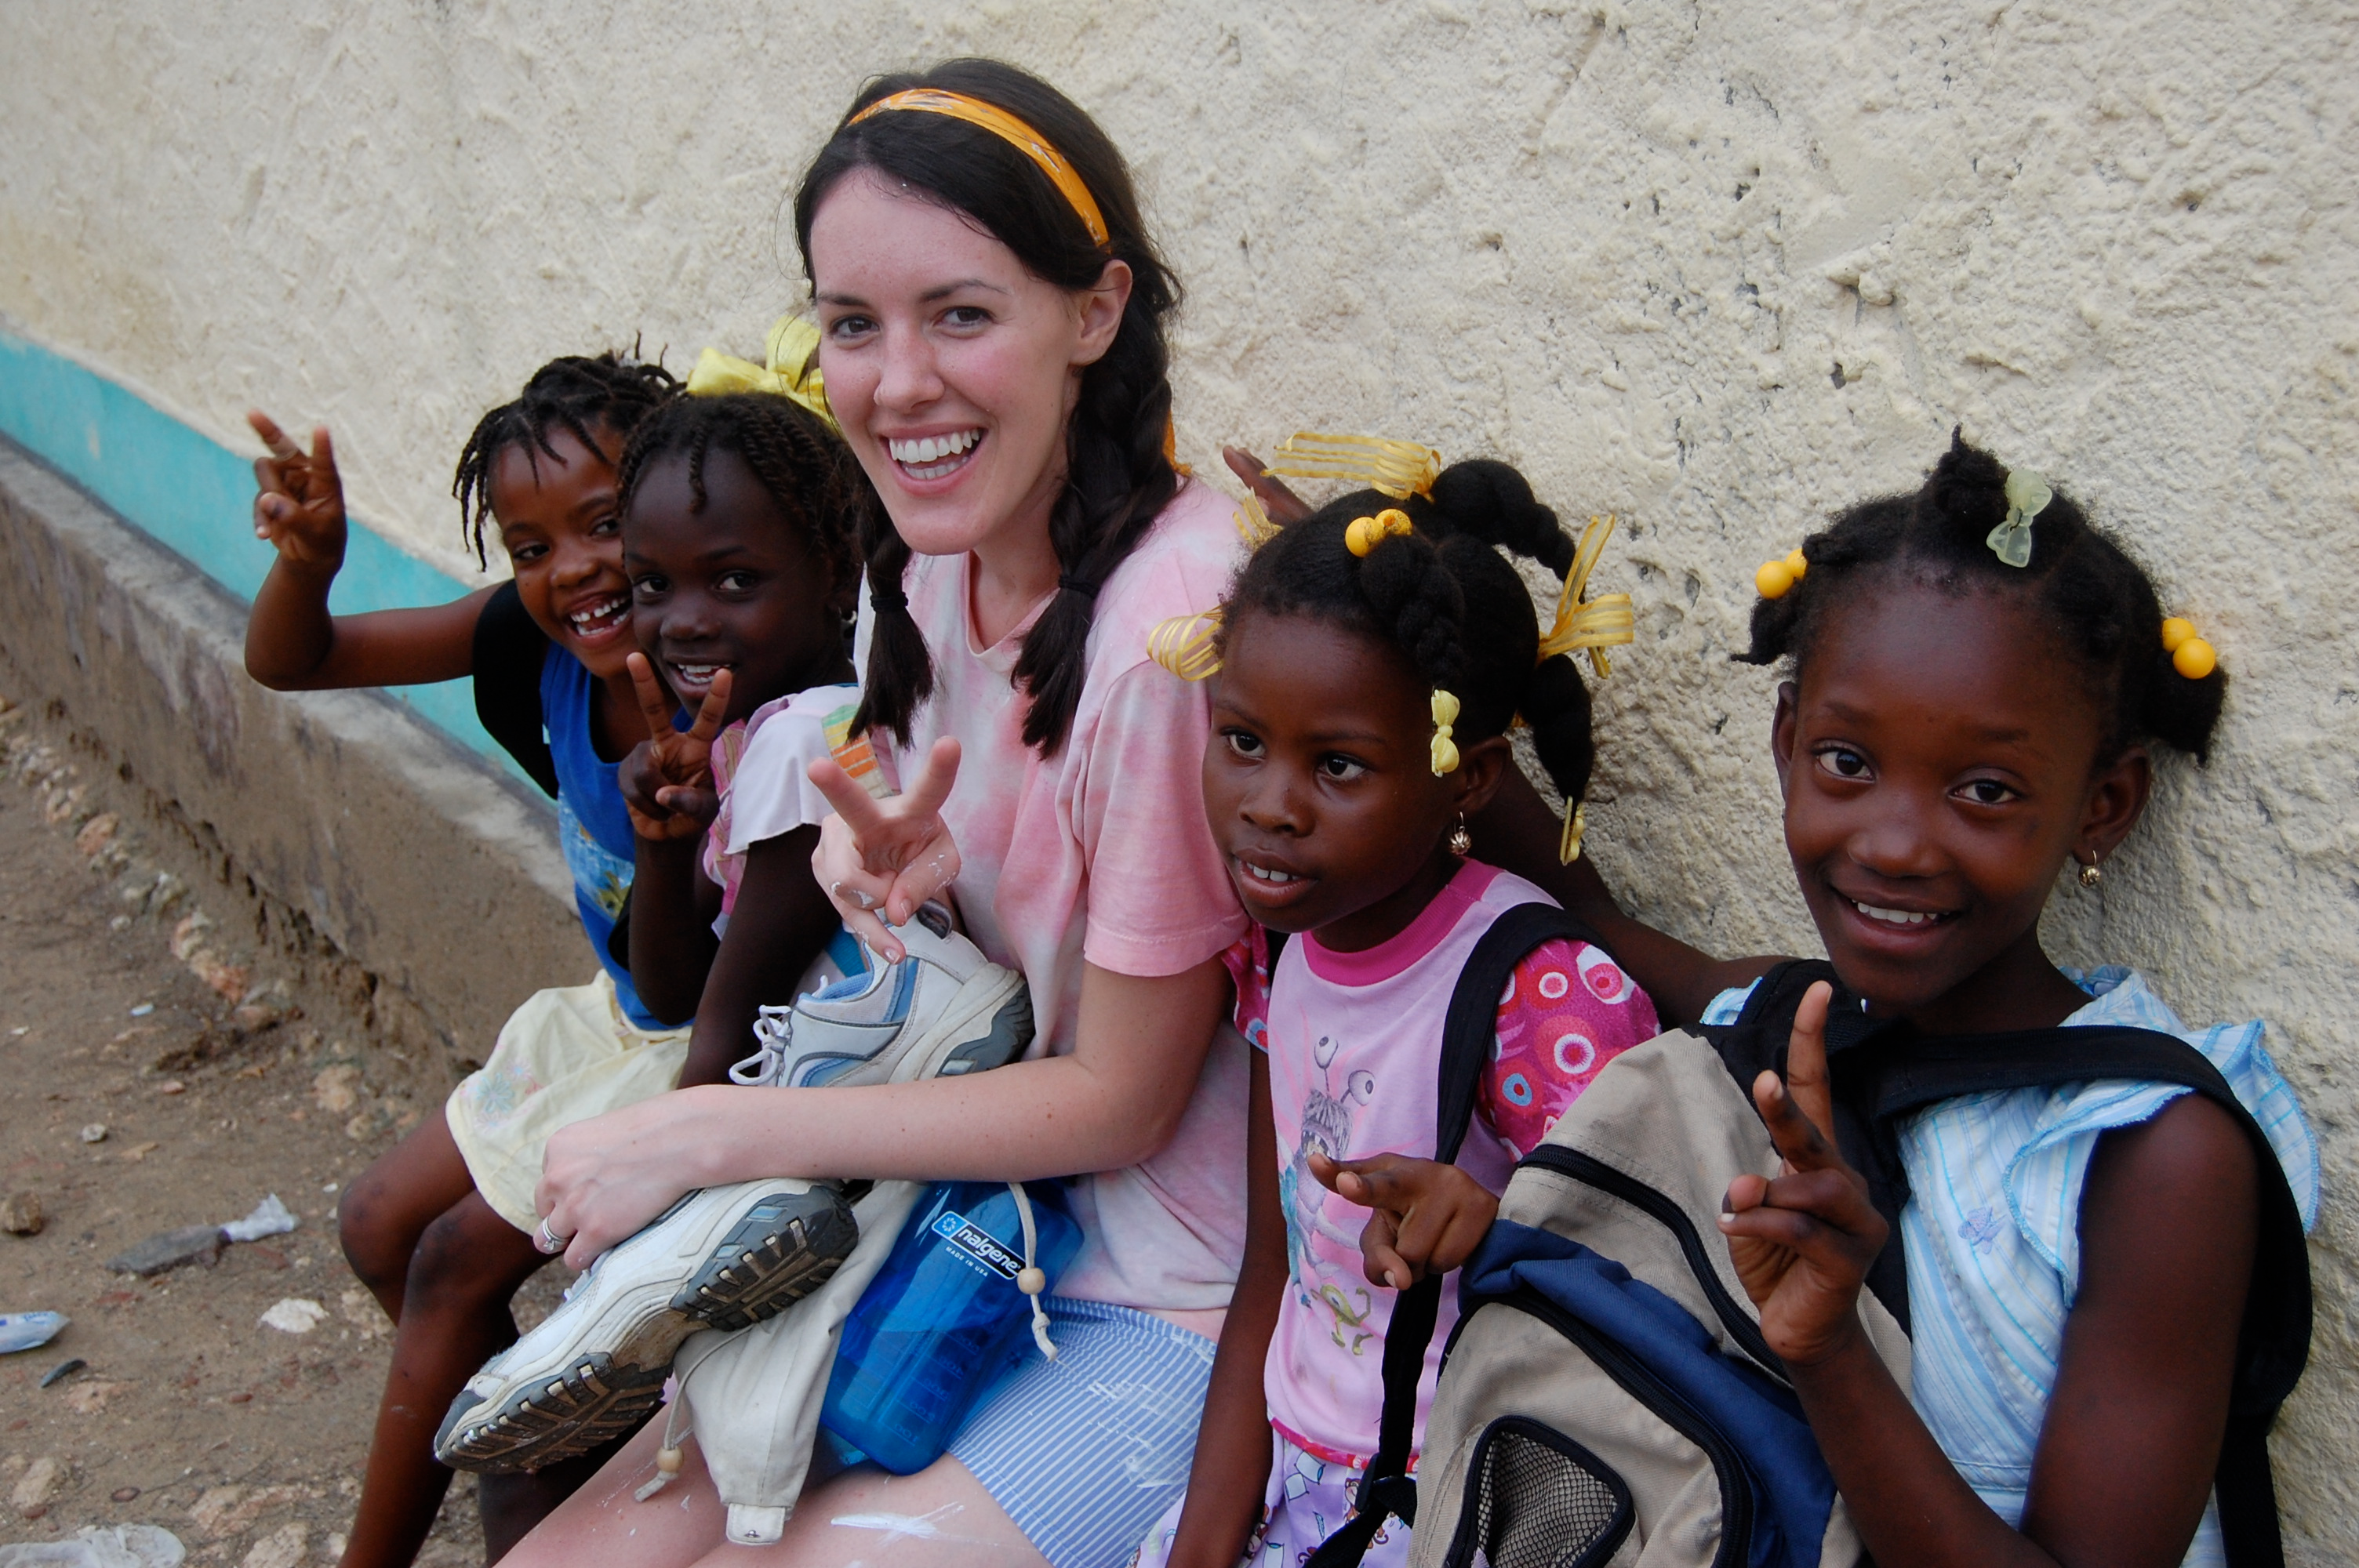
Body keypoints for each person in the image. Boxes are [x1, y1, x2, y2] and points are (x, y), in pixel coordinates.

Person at [510, 60, 1255, 1568]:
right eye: (852, 324)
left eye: (961, 314)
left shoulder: (1170, 636)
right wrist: (888, 866)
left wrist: (713, 1134)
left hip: (1150, 1293)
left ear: (1095, 315)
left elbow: (1123, 1098)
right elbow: (962, 851)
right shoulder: (934, 548)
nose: (896, 383)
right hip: (944, 1225)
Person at [1574, 435, 2317, 1567]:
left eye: (1985, 790)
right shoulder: (1792, 1023)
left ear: (2103, 807)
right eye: (1846, 764)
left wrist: (1830, 1347)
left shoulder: (2147, 1158)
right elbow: (1625, 943)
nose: (1895, 845)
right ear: (1785, 749)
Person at [1140, 461, 1663, 1568]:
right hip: (1293, 1480)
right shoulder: (1290, 950)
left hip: (1461, 1510)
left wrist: (1499, 1216)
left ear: (1468, 778)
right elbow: (1274, 1272)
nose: (1268, 807)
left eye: (1338, 765)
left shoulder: (1537, 993)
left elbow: (1651, 1291)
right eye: (1241, 740)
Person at [243, 353, 703, 1566]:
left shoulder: (720, 673)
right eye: (533, 545)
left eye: (607, 524)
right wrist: (306, 568)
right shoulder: (533, 643)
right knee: (377, 1226)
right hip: (616, 1013)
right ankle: (546, 1442)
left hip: (714, 1041)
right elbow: (295, 661)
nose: (576, 571)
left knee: (448, 1262)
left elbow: (692, 986)